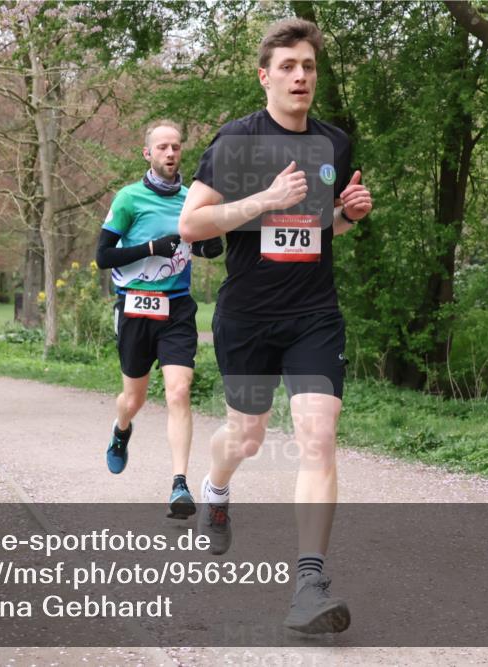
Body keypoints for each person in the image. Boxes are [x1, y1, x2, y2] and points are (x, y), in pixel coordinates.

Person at [178, 18, 373, 634]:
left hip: (314, 312)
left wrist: (347, 215)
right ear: (265, 76)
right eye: (288, 66)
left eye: (308, 67)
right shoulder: (236, 142)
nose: (300, 76)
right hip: (249, 315)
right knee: (248, 436)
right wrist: (263, 199)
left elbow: (319, 229)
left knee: (319, 435)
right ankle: (215, 486)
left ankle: (309, 583)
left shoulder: (335, 144)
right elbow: (192, 225)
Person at [95, 120, 223, 519]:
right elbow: (104, 256)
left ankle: (179, 484)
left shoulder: (192, 199)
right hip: (135, 307)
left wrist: (208, 243)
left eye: (177, 147)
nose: (171, 153)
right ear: (147, 153)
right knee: (133, 399)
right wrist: (150, 246)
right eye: (163, 147)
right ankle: (121, 430)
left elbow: (207, 248)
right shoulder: (129, 199)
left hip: (178, 308)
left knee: (179, 391)